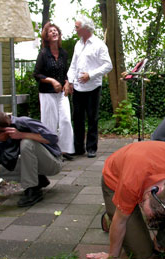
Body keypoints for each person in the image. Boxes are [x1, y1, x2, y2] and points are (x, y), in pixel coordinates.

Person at [0, 112, 62, 207]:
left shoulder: (23, 122)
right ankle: (38, 179)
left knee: (26, 143)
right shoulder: (2, 136)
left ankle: (32, 189)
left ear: (3, 130)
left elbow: (53, 138)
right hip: (36, 165)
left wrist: (22, 135)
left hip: (53, 162)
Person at [65, 16, 113, 158]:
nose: (75, 29)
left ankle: (91, 148)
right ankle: (78, 147)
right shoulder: (77, 44)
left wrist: (90, 75)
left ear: (86, 28)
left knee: (92, 118)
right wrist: (70, 82)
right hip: (78, 87)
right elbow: (73, 65)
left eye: (77, 27)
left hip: (93, 87)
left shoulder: (99, 44)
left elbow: (108, 65)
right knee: (77, 118)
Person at [33, 22, 75, 161]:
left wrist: (67, 83)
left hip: (62, 94)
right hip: (47, 94)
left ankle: (65, 150)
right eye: (50, 31)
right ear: (46, 36)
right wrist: (51, 80)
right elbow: (37, 74)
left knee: (66, 120)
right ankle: (50, 151)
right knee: (49, 122)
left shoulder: (63, 53)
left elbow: (66, 72)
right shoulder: (43, 53)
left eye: (55, 30)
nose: (54, 32)